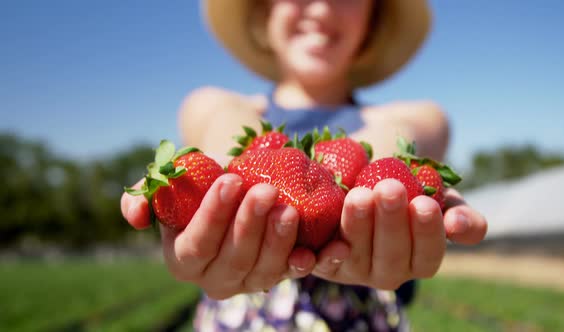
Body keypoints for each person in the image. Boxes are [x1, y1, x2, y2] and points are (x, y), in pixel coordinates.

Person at [121, 0, 488, 330]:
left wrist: (379, 176)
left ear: (373, 16)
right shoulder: (219, 105)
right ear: (265, 10)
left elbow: (410, 132)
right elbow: (215, 118)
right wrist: (225, 175)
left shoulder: (411, 117)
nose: (321, 8)